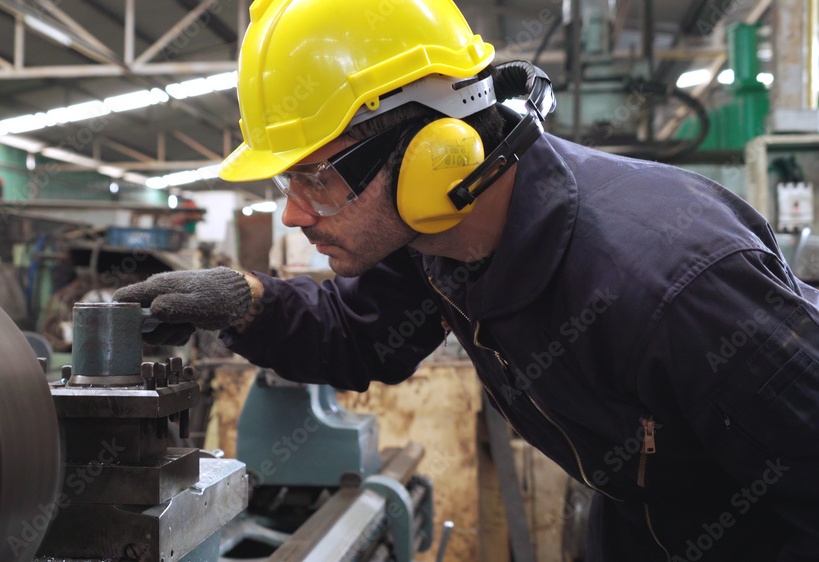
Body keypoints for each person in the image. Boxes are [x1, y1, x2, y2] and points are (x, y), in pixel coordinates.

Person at [113, 0, 819, 559]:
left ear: (431, 151)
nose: (294, 213)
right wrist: (244, 302)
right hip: (639, 524)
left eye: (315, 177)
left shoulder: (675, 287)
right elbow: (361, 336)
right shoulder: (440, 238)